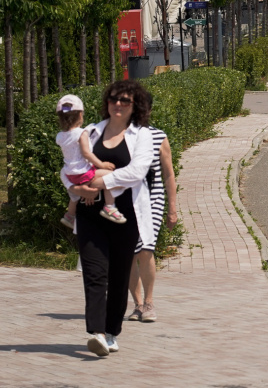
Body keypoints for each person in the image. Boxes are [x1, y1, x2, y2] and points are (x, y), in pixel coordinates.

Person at [66, 80, 156, 357]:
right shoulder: (91, 132)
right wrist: (74, 188)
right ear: (107, 102)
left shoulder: (141, 135)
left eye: (125, 101)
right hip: (90, 210)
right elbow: (69, 166)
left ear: (134, 106)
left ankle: (112, 331)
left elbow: (138, 172)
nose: (118, 104)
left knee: (118, 275)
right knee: (95, 274)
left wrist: (100, 183)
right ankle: (96, 333)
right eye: (114, 99)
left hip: (125, 214)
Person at [127, 118, 178, 324]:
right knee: (130, 254)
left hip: (153, 200)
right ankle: (138, 304)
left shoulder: (159, 137)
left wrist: (172, 208)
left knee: (146, 250)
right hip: (126, 201)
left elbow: (168, 174)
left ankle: (149, 302)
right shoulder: (120, 136)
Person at [56, 94, 125, 228]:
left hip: (70, 174)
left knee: (74, 196)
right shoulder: (82, 133)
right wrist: (101, 164)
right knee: (111, 176)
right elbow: (86, 153)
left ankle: (69, 216)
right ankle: (110, 207)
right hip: (83, 173)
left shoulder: (60, 136)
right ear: (81, 115)